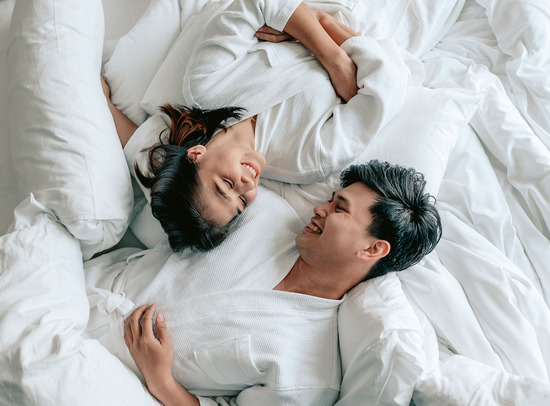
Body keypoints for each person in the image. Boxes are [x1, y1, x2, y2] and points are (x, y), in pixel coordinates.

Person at [81, 160, 442, 405]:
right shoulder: (261, 211)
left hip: (107, 384)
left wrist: (162, 381)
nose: (320, 208)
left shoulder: (310, 372)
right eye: (330, 200)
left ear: (372, 248)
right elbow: (168, 187)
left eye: (340, 209)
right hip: (74, 287)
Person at [104, 0, 415, 253]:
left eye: (225, 184)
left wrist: (334, 58)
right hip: (391, 17)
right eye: (240, 204)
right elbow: (388, 86)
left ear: (196, 154)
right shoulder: (308, 159)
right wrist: (321, 27)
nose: (247, 186)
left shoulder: (207, 85)